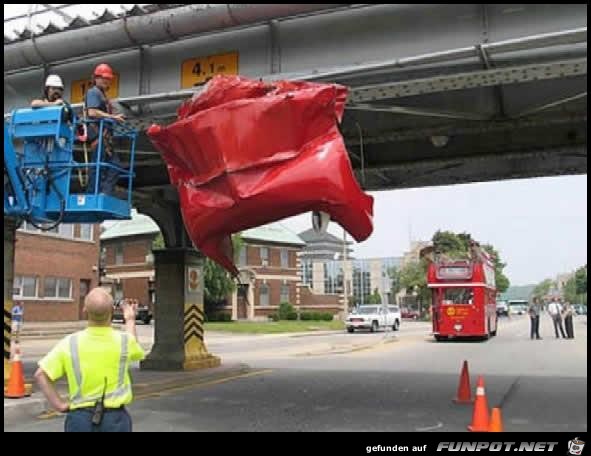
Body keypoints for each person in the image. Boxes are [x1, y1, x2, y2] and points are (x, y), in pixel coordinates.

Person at [34, 288, 144, 432]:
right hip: (115, 419)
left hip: (80, 419)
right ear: (112, 311)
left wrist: (60, 405)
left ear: (85, 310)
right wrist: (130, 319)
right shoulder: (124, 341)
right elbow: (134, 347)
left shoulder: (70, 343)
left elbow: (40, 375)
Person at [84, 64, 125, 195]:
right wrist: (112, 117)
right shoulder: (93, 92)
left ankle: (103, 193)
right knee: (99, 166)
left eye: (108, 79)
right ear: (96, 78)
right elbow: (92, 112)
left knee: (113, 165)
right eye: (103, 78)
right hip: (98, 135)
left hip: (104, 137)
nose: (106, 81)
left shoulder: (102, 95)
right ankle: (93, 194)